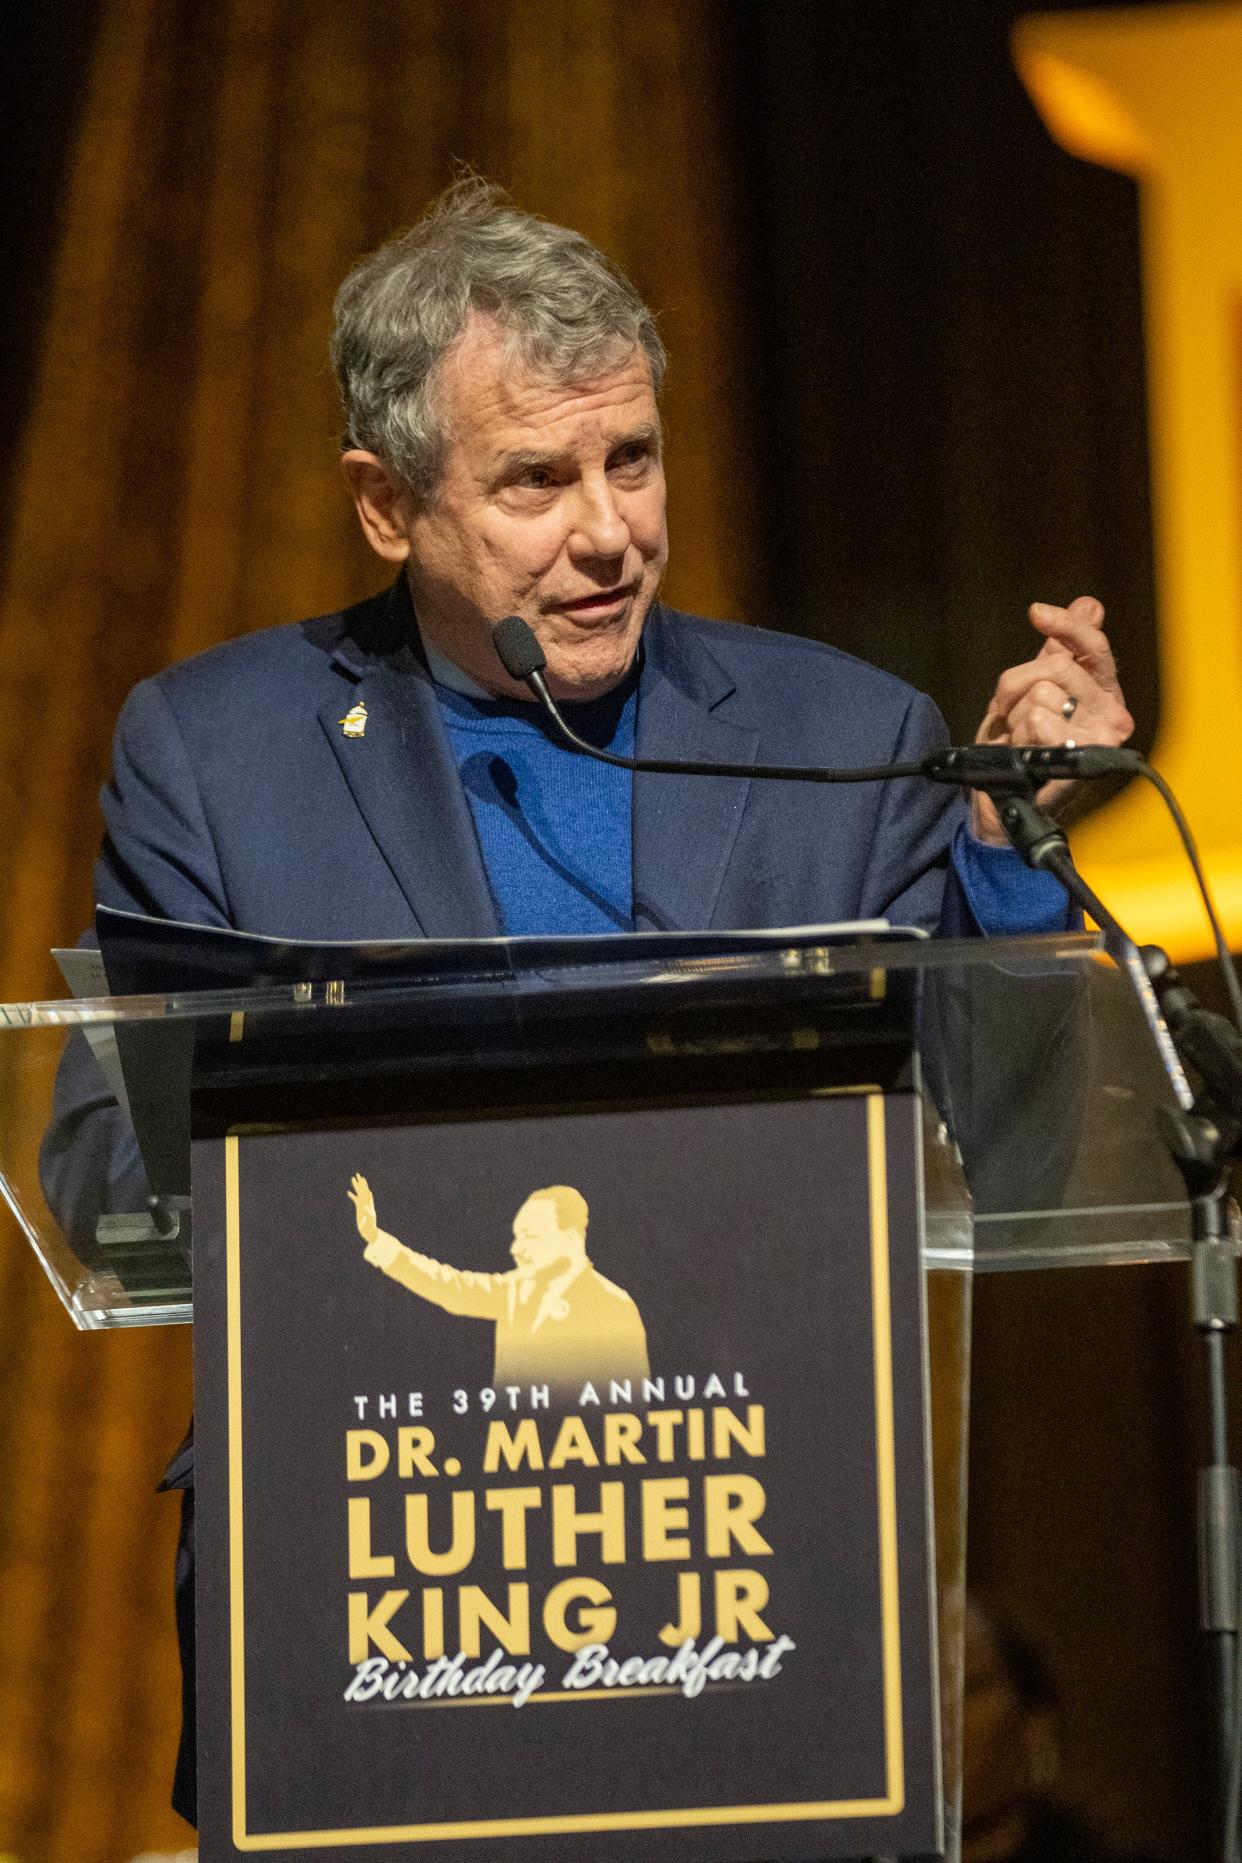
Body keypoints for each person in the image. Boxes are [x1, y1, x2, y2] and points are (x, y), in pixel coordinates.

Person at [42, 176, 1135, 1826]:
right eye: (537, 480)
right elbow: (101, 1179)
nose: (610, 527)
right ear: (385, 504)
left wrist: (996, 851)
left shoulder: (841, 735)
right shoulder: (217, 750)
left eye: (631, 456)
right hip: (377, 1572)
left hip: (748, 1553)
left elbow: (1022, 1151)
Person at [348, 1177, 650, 1391]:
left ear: (571, 1238)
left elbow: (632, 1411)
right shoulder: (514, 1290)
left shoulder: (613, 1305)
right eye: (517, 1237)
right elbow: (452, 1288)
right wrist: (377, 1238)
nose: (516, 1249)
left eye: (530, 1236)